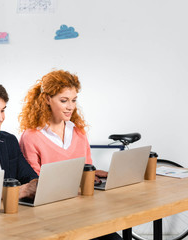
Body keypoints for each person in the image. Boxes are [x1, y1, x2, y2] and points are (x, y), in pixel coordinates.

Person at [19, 70, 121, 240]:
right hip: (51, 217)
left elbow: (86, 168)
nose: (70, 106)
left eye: (74, 100)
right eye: (64, 100)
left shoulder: (78, 132)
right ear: (46, 99)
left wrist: (91, 175)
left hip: (84, 210)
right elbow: (35, 184)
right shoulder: (30, 137)